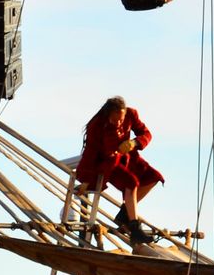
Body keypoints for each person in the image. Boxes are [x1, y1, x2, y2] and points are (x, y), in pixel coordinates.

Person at [63, 98, 163, 244]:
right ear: (108, 115)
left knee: (154, 177)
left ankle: (125, 215)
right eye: (114, 120)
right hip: (106, 162)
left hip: (128, 156)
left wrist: (134, 142)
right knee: (132, 182)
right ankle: (135, 229)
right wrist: (86, 180)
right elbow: (90, 154)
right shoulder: (96, 125)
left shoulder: (131, 114)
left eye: (120, 120)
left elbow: (146, 134)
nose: (118, 123)